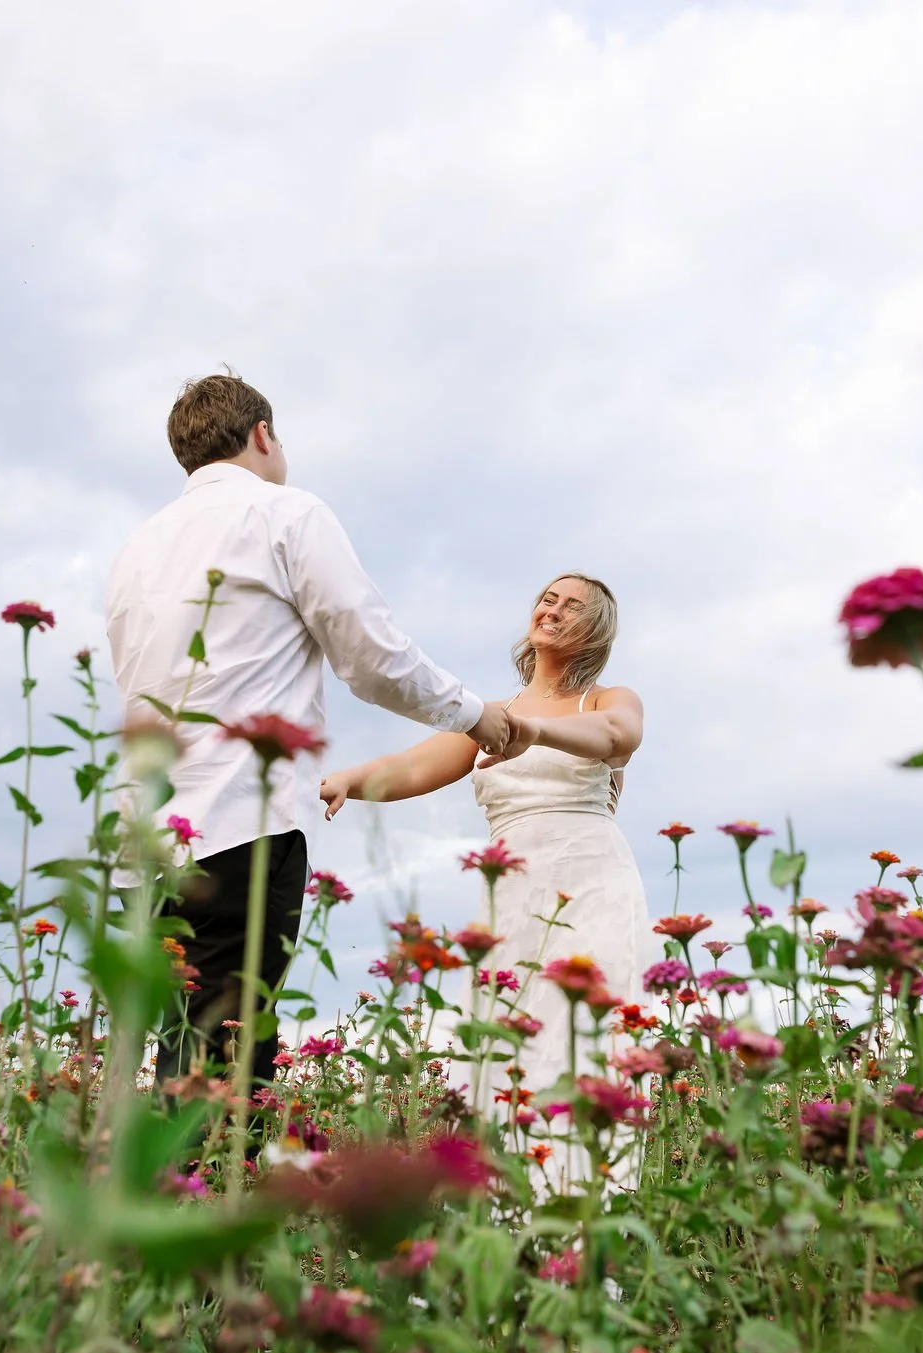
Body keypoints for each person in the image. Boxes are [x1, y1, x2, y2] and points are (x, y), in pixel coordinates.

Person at [104, 372, 529, 1092]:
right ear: (263, 434)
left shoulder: (137, 548)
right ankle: (216, 1199)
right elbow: (371, 657)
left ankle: (175, 1195)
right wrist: (474, 714)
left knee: (184, 1047)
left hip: (147, 836)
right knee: (231, 1059)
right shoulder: (286, 514)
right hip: (241, 819)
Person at [318, 573, 650, 1101]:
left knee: (587, 1040)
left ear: (596, 630)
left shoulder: (607, 700)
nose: (554, 610)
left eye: (572, 606)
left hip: (591, 884)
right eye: (547, 599)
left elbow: (619, 736)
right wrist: (347, 781)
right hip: (512, 891)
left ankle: (594, 1180)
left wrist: (536, 732)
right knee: (508, 1038)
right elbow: (411, 766)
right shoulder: (492, 715)